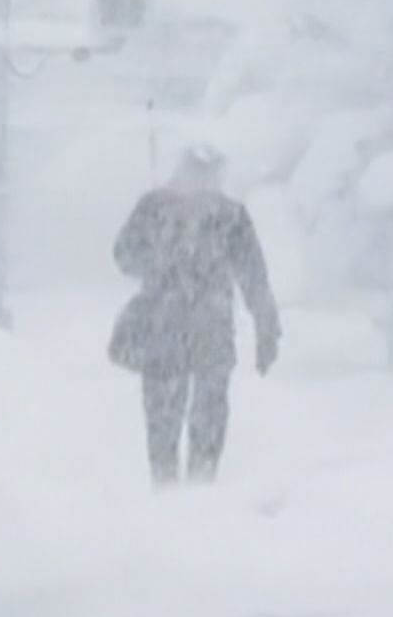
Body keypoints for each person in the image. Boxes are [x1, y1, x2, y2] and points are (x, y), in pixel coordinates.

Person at [108, 143, 280, 485]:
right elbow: (254, 278)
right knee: (204, 413)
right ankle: (195, 488)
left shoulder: (156, 207)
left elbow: (124, 256)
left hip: (167, 325)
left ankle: (171, 489)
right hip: (205, 328)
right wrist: (266, 326)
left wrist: (158, 263)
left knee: (169, 416)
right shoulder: (228, 214)